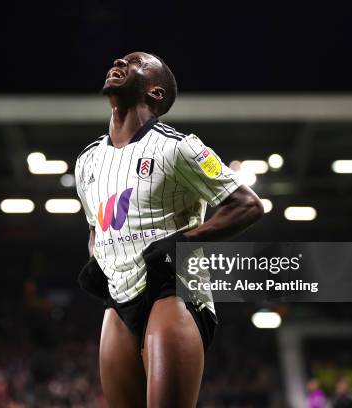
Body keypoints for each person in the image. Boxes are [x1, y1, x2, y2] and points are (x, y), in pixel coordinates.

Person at [74, 52, 264, 407]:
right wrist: (97, 260)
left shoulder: (179, 148)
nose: (119, 60)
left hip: (171, 289)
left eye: (134, 62)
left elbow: (248, 205)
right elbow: (95, 230)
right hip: (117, 300)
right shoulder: (87, 162)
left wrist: (184, 241)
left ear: (155, 92)